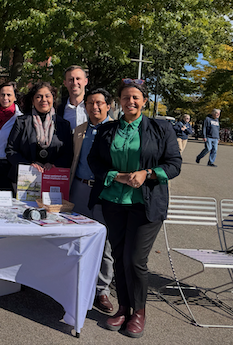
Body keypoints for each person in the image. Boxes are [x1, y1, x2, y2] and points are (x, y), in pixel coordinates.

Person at [88, 79, 181, 338]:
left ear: (144, 101)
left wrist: (148, 173)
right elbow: (93, 160)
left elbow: (174, 164)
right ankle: (124, 308)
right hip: (114, 202)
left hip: (145, 204)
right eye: (126, 97)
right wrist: (114, 175)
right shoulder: (107, 130)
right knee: (119, 256)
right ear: (119, 101)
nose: (131, 102)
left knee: (135, 260)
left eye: (136, 97)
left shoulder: (161, 129)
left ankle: (138, 312)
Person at [69, 88, 115, 313]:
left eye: (99, 103)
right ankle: (76, 282)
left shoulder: (117, 130)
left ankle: (102, 290)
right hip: (78, 188)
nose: (94, 107)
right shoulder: (79, 130)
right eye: (89, 103)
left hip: (104, 192)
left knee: (105, 242)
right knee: (76, 237)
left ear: (108, 105)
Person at [6, 81, 73, 185]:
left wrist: (55, 165)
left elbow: (68, 153)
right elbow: (11, 150)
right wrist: (28, 165)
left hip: (52, 179)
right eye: (39, 97)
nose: (44, 100)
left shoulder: (63, 125)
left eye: (47, 96)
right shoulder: (22, 122)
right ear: (33, 100)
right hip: (24, 180)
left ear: (53, 98)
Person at [56, 65, 89, 130]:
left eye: (78, 79)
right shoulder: (58, 109)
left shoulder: (94, 106)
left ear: (86, 81)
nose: (74, 83)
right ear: (65, 83)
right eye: (71, 79)